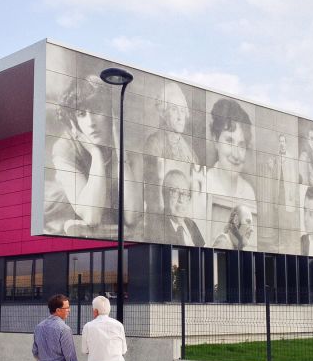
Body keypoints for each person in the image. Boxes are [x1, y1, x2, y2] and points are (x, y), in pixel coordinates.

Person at [44, 82, 140, 235]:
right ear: (74, 121)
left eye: (97, 110)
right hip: (56, 216)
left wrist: (121, 153)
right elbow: (92, 216)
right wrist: (96, 154)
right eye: (81, 114)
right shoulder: (64, 147)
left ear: (112, 114)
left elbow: (132, 217)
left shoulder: (130, 143)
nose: (90, 123)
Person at [206, 98, 256, 203]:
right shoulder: (204, 183)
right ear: (215, 140)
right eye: (229, 141)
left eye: (241, 145)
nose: (236, 155)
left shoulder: (248, 192)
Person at [144, 82, 198, 163]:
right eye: (174, 109)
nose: (180, 117)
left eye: (182, 110)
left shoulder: (190, 151)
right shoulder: (154, 143)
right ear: (164, 113)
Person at [163, 169, 205, 246]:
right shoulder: (155, 227)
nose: (181, 200)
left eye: (185, 194)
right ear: (164, 194)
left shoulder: (192, 225)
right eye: (175, 192)